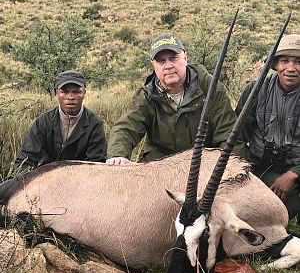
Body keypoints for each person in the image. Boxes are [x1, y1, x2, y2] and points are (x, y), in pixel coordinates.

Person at [106, 33, 244, 165]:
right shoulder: (147, 95)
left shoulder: (209, 87)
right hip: (160, 166)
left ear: (185, 57)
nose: (168, 66)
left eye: (173, 58)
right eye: (161, 61)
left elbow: (228, 135)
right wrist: (117, 155)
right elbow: (125, 127)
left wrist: (227, 171)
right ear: (153, 65)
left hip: (202, 165)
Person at [0, 70, 107, 203]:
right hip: (40, 182)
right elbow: (25, 161)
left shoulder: (94, 125)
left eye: (76, 92)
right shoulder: (43, 121)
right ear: (57, 93)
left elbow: (96, 167)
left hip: (78, 187)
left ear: (84, 93)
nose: (70, 97)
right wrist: (35, 185)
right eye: (65, 91)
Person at [235, 34, 300, 220]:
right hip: (262, 167)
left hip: (295, 167)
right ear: (276, 64)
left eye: (297, 62)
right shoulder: (255, 89)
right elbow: (238, 134)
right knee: (283, 207)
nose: (291, 68)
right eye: (284, 61)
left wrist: (293, 174)